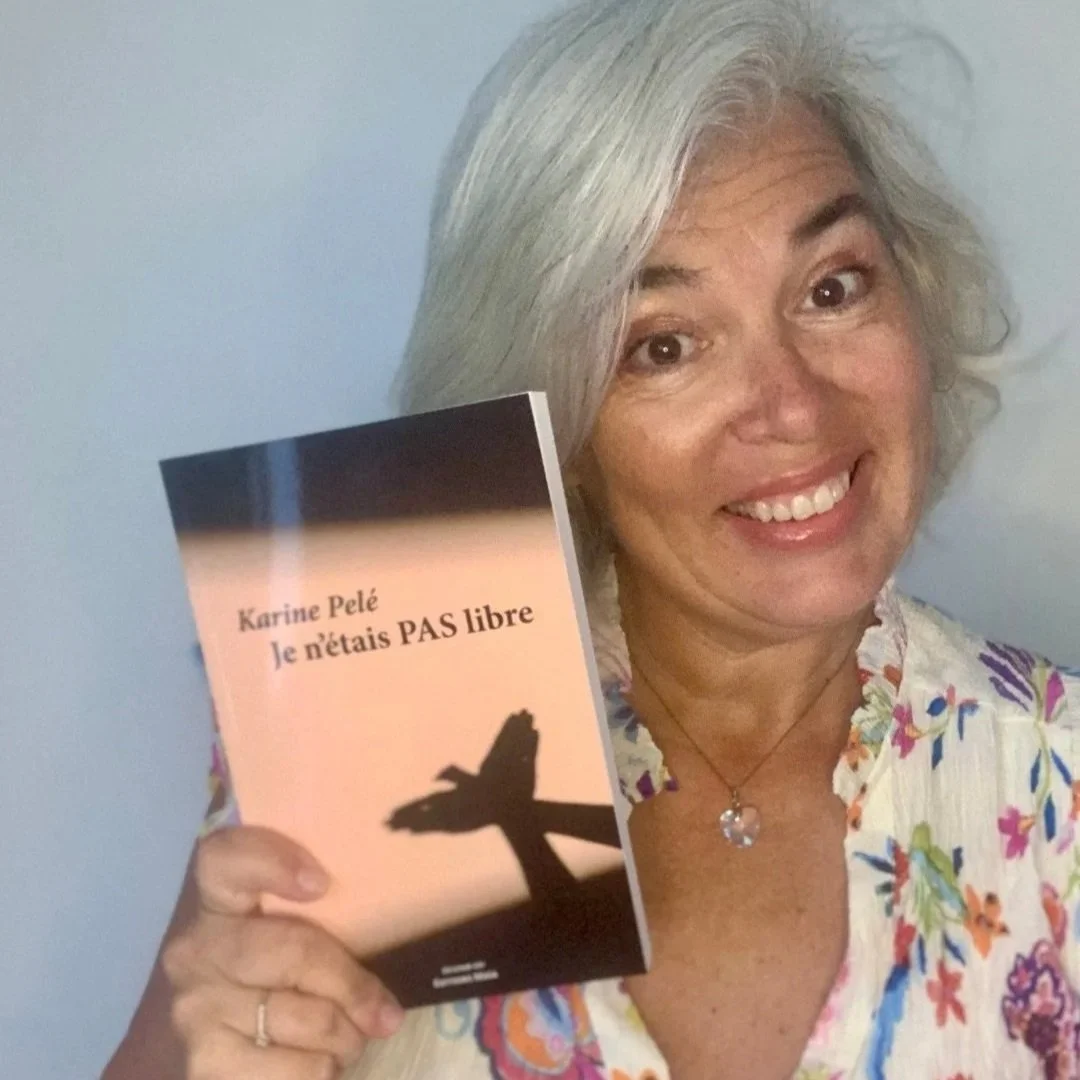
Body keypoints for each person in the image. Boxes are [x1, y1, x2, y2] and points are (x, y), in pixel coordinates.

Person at [105, 0, 1080, 1077]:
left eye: (832, 288)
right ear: (560, 422)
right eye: (664, 347)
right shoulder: (351, 736)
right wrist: (180, 1047)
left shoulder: (1062, 785)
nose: (792, 405)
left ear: (916, 296)